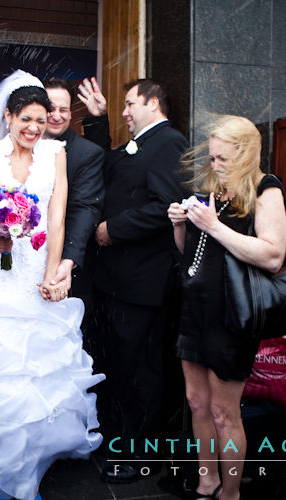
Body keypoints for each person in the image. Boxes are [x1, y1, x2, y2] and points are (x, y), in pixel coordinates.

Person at [0, 72, 104, 500]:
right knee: (4, 364)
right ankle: (3, 460)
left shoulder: (55, 153)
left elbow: (56, 215)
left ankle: (33, 457)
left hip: (38, 266)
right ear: (9, 117)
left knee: (40, 364)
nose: (34, 128)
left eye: (40, 119)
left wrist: (53, 274)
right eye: (26, 119)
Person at [166, 115, 286, 500]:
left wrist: (215, 225)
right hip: (195, 310)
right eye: (212, 158)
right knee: (196, 402)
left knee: (224, 412)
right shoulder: (214, 191)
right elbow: (194, 257)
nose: (215, 166)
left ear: (246, 154)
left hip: (232, 317)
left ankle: (230, 492)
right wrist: (181, 225)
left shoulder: (266, 190)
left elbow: (272, 255)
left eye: (223, 159)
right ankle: (207, 481)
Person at [77, 77, 188, 483]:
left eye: (129, 104)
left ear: (153, 103)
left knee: (142, 371)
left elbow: (167, 206)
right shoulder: (140, 143)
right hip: (118, 279)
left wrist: (113, 229)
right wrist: (98, 120)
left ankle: (141, 454)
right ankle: (122, 440)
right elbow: (113, 167)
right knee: (121, 366)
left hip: (144, 281)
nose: (124, 111)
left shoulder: (169, 142)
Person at [41, 77, 104, 328]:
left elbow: (85, 209)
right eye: (50, 108)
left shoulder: (88, 153)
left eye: (63, 109)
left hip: (63, 265)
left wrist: (66, 262)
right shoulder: (17, 146)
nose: (56, 115)